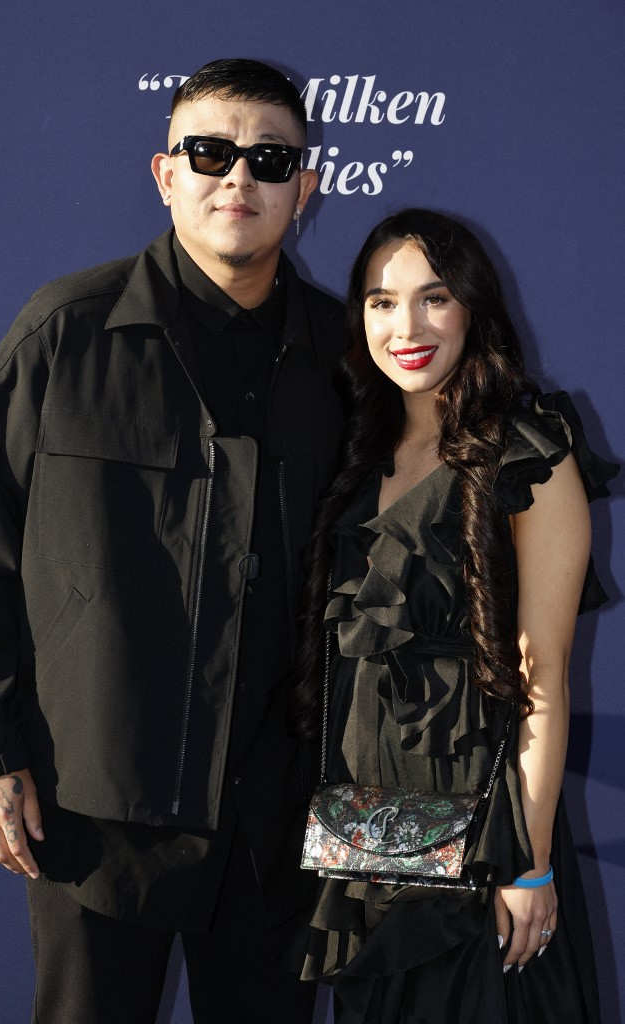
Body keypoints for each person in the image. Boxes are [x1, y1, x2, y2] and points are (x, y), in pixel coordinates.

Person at [0, 58, 346, 1024]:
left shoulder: (348, 358)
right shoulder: (64, 333)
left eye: (268, 158)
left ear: (307, 186)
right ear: (166, 173)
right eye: (209, 152)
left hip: (278, 815)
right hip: (92, 807)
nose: (236, 179)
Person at [290, 209, 616, 1022]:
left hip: (484, 843)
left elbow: (543, 680)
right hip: (367, 844)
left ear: (474, 308)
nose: (406, 326)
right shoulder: (357, 451)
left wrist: (530, 863)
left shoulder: (528, 451)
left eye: (434, 298)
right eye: (380, 301)